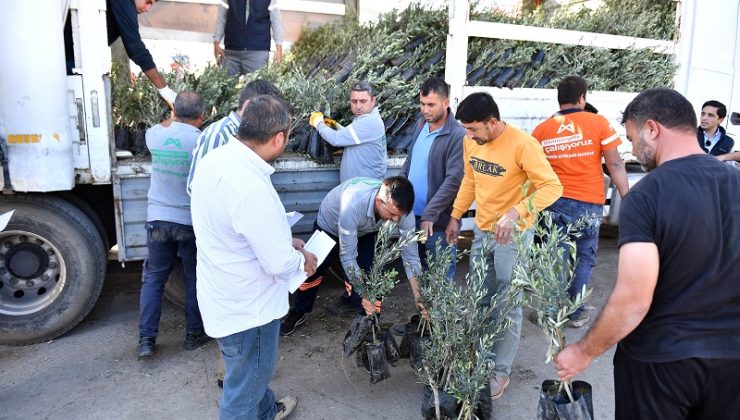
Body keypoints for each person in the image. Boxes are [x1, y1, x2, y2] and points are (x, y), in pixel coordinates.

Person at [554, 88, 740, 419]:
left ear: (652, 129)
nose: (632, 148)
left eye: (631, 137)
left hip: (660, 364)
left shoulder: (647, 194)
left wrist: (583, 352)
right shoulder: (736, 182)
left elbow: (633, 300)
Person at [191, 95, 316, 419]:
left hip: (223, 295)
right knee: (242, 392)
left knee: (247, 376)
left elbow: (237, 228)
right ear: (278, 138)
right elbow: (277, 263)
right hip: (250, 310)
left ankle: (265, 411)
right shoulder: (251, 187)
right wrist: (302, 261)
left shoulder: (214, 161)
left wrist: (283, 239)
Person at [445, 92, 563, 401]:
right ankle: (481, 357)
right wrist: (456, 215)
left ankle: (500, 371)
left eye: (473, 129)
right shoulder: (471, 141)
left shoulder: (523, 145)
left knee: (508, 304)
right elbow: (470, 180)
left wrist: (516, 212)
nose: (468, 135)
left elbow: (552, 187)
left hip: (514, 235)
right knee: (481, 298)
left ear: (493, 122)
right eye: (466, 130)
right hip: (484, 230)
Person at [531, 75, 629, 328]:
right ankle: (575, 312)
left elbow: (534, 171)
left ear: (559, 99)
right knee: (584, 256)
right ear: (582, 98)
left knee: (556, 256)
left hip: (554, 203)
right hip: (589, 203)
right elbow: (615, 163)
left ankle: (552, 311)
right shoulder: (597, 123)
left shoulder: (541, 130)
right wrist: (628, 196)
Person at [280, 176, 423, 336]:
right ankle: (299, 311)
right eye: (392, 214)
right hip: (330, 225)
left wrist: (420, 298)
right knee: (313, 269)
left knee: (370, 273)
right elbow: (348, 257)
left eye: (399, 216)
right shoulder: (353, 204)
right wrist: (363, 292)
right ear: (379, 201)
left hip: (365, 229)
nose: (396, 220)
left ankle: (371, 319)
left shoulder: (402, 212)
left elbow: (411, 257)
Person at [137, 91, 208, 358]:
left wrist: (174, 115)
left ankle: (146, 340)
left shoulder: (155, 135)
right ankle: (193, 335)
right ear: (202, 116)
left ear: (174, 111)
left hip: (157, 220)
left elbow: (165, 123)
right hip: (188, 222)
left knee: (153, 279)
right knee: (193, 278)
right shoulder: (201, 141)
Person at [399, 77, 465, 280]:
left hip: (437, 223)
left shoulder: (457, 135)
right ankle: (424, 312)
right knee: (418, 275)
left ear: (446, 103)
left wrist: (430, 213)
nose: (425, 110)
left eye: (431, 105)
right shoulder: (420, 125)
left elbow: (453, 180)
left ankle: (439, 313)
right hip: (411, 217)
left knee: (440, 278)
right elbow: (409, 164)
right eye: (422, 104)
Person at [187, 79, 283, 194]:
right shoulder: (219, 134)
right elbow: (196, 186)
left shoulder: (251, 134)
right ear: (248, 106)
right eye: (268, 111)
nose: (271, 118)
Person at [309, 82, 387, 182]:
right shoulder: (370, 118)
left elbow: (336, 139)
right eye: (354, 101)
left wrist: (319, 124)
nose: (358, 106)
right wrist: (336, 126)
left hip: (363, 189)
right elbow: (351, 137)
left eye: (363, 101)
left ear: (373, 100)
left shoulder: (368, 122)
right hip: (361, 187)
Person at [213, 0, 284, 77]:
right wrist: (216, 42)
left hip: (257, 53)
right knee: (224, 88)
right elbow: (221, 18)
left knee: (256, 88)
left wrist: (279, 47)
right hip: (231, 52)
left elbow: (276, 20)